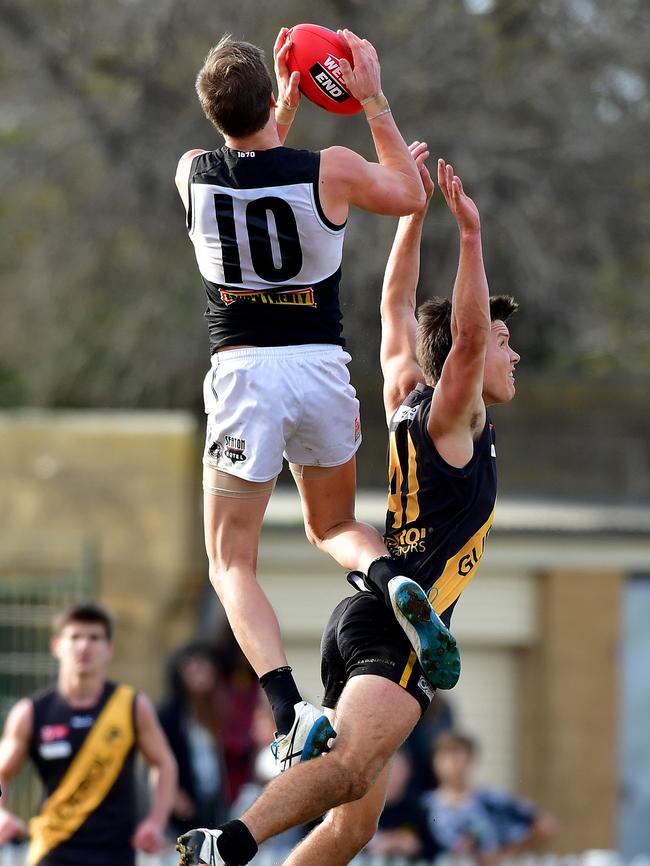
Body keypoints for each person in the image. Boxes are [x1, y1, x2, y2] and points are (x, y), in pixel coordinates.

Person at [175, 147, 522, 866]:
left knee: (353, 827)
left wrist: (411, 216)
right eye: (504, 341)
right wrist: (469, 237)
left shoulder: (405, 391)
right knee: (347, 774)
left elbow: (395, 306)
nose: (512, 355)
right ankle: (226, 846)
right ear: (471, 348)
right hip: (399, 628)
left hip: (367, 607)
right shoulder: (455, 418)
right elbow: (461, 340)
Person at [174, 25, 450, 770]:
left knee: (231, 562)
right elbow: (408, 193)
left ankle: (291, 710)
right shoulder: (328, 169)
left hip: (243, 377)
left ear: (213, 115)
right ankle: (393, 581)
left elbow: (253, 158)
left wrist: (277, 110)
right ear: (274, 96)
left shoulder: (192, 172)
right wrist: (372, 98)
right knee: (333, 524)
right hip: (321, 365)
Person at [0, 601, 177, 866]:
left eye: (94, 638)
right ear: (57, 646)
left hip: (115, 853)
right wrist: (2, 813)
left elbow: (164, 763)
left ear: (109, 649)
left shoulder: (131, 706)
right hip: (52, 849)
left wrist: (156, 821)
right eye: (75, 637)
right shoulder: (31, 712)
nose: (84, 646)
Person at [422, 731, 555, 863]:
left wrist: (505, 855)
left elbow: (544, 824)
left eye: (455, 757)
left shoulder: (490, 799)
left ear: (470, 760)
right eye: (442, 756)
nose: (448, 764)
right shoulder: (424, 806)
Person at [158, 642, 230, 839]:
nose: (201, 673)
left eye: (205, 666)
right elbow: (155, 759)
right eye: (194, 666)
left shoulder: (219, 711)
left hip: (215, 802)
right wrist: (172, 793)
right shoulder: (169, 716)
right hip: (181, 807)